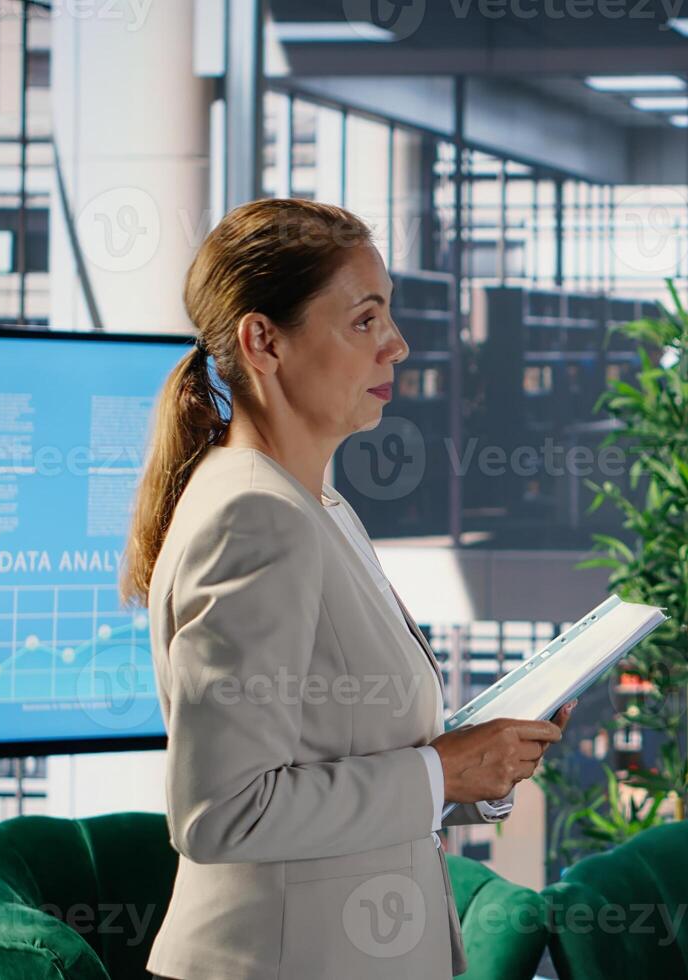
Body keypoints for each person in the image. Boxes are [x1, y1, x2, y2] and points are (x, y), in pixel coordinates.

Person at [120, 199, 571, 979]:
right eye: (364, 321)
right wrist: (442, 772)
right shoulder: (255, 517)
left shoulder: (316, 504)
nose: (397, 345)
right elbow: (222, 812)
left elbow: (342, 758)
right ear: (263, 341)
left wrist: (479, 763)